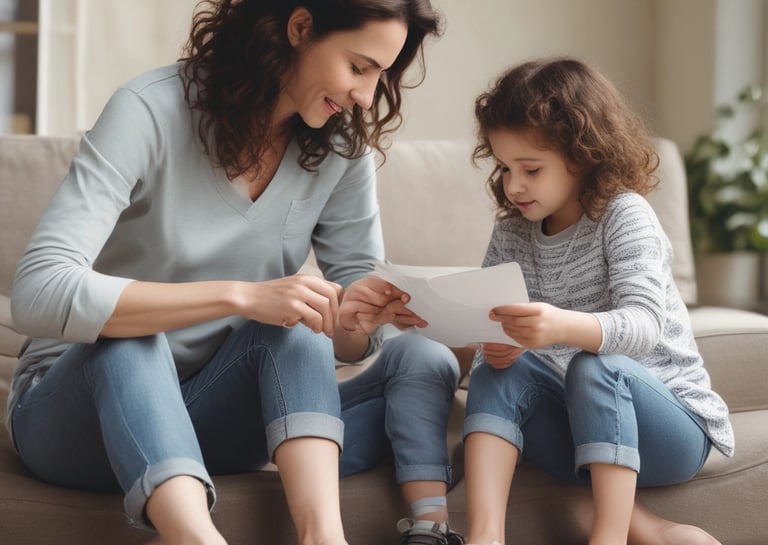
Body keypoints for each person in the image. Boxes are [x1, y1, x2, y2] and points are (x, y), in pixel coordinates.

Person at [7, 2, 464, 545]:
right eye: (359, 67)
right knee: (129, 339)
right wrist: (241, 297)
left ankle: (323, 538)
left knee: (314, 327)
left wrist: (356, 318)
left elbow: (350, 335)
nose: (366, 96)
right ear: (299, 28)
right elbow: (38, 290)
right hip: (77, 417)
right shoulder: (148, 110)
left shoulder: (341, 146)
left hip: (210, 411)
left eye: (380, 76)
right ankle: (194, 537)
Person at [452, 57, 735, 545]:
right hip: (575, 430)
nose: (513, 185)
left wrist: (560, 326)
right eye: (504, 168)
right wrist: (492, 345)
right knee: (499, 369)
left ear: (581, 155)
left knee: (595, 365)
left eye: (531, 169)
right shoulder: (511, 234)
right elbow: (491, 330)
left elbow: (644, 325)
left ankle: (609, 538)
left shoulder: (625, 215)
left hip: (669, 430)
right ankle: (485, 536)